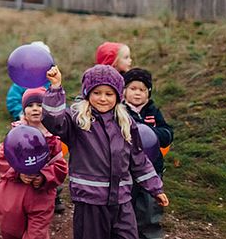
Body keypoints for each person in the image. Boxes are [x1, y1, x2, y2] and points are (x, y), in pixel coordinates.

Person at [42, 64, 169, 239]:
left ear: (118, 95)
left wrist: (155, 188)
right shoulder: (77, 120)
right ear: (87, 93)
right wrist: (55, 88)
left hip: (122, 200)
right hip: (90, 201)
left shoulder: (125, 122)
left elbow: (138, 159)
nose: (103, 99)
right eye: (97, 93)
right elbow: (52, 121)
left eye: (109, 94)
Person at [0, 87, 68, 239]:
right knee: (10, 231)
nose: (35, 109)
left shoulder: (53, 138)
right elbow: (3, 158)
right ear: (23, 110)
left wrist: (43, 176)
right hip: (13, 193)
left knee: (37, 234)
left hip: (40, 196)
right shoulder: (15, 135)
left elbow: (60, 167)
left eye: (40, 105)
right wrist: (18, 173)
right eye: (30, 105)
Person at [123, 68, 174, 239]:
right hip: (127, 169)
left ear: (148, 93)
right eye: (133, 88)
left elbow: (167, 134)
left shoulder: (153, 111)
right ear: (124, 91)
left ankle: (149, 234)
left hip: (152, 168)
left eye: (142, 90)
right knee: (125, 207)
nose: (137, 93)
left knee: (150, 207)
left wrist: (153, 134)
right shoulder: (120, 111)